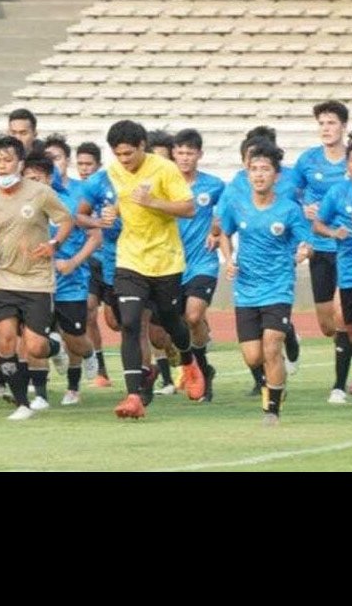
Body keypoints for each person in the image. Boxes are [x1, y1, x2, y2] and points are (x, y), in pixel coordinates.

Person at [0, 135, 74, 421]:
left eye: (8, 160)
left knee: (36, 346)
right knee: (4, 340)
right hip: (4, 279)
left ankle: (55, 346)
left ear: (20, 162)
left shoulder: (39, 192)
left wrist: (54, 245)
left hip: (38, 280)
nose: (2, 166)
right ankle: (22, 403)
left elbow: (65, 221)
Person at [101, 120, 204, 419]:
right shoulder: (114, 170)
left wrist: (153, 201)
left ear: (142, 147)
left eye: (129, 154)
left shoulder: (165, 169)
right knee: (130, 323)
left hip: (165, 260)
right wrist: (114, 211)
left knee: (171, 322)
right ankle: (134, 395)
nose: (124, 160)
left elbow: (188, 208)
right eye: (118, 154)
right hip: (130, 258)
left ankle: (188, 361)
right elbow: (125, 197)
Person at [218, 141, 312, 425]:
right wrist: (229, 258)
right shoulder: (237, 205)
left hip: (278, 287)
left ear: (276, 175)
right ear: (248, 174)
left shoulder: (289, 210)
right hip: (246, 289)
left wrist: (304, 251)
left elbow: (305, 243)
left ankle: (272, 409)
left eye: (265, 169)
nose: (259, 174)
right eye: (254, 169)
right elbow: (224, 234)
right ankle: (281, 361)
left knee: (271, 347)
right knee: (252, 356)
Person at [22, 152, 101, 407]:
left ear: (49, 178)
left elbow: (96, 236)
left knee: (74, 339)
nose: (33, 183)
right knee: (33, 337)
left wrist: (73, 262)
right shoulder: (21, 209)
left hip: (70, 283)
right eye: (28, 178)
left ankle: (87, 357)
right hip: (36, 283)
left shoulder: (68, 204)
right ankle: (41, 395)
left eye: (38, 178)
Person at [287, 101, 349, 377]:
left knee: (343, 316)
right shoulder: (308, 160)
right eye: (322, 123)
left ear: (343, 126)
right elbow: (292, 194)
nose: (326, 128)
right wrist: (304, 209)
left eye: (331, 123)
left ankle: (350, 373)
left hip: (350, 248)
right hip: (320, 247)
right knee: (327, 325)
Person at [313, 140, 352, 404]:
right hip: (348, 268)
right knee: (349, 327)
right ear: (347, 166)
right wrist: (332, 233)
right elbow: (318, 224)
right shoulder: (338, 192)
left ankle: (342, 385)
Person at [172, 128, 225, 402]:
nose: (184, 158)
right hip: (171, 264)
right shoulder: (164, 184)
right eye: (180, 152)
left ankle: (200, 372)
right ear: (173, 154)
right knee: (179, 323)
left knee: (193, 316)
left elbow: (227, 214)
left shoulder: (214, 185)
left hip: (203, 262)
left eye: (189, 153)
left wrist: (216, 232)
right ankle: (203, 371)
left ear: (199, 155)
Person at [75, 141, 114, 386]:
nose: (84, 168)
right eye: (80, 164)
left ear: (98, 165)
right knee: (88, 312)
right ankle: (101, 371)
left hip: (112, 259)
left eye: (89, 164)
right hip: (88, 261)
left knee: (115, 321)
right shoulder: (74, 191)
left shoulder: (106, 186)